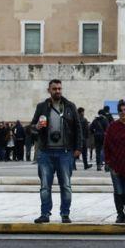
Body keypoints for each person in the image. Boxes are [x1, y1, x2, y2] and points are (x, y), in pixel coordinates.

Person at [31, 79, 83, 224]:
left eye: (59, 88)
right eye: (54, 89)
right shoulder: (42, 107)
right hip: (45, 152)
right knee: (45, 186)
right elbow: (32, 128)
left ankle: (65, 214)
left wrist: (78, 148)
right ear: (49, 90)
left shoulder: (70, 106)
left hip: (65, 152)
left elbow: (78, 128)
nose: (58, 91)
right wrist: (37, 127)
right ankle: (45, 214)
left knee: (65, 185)